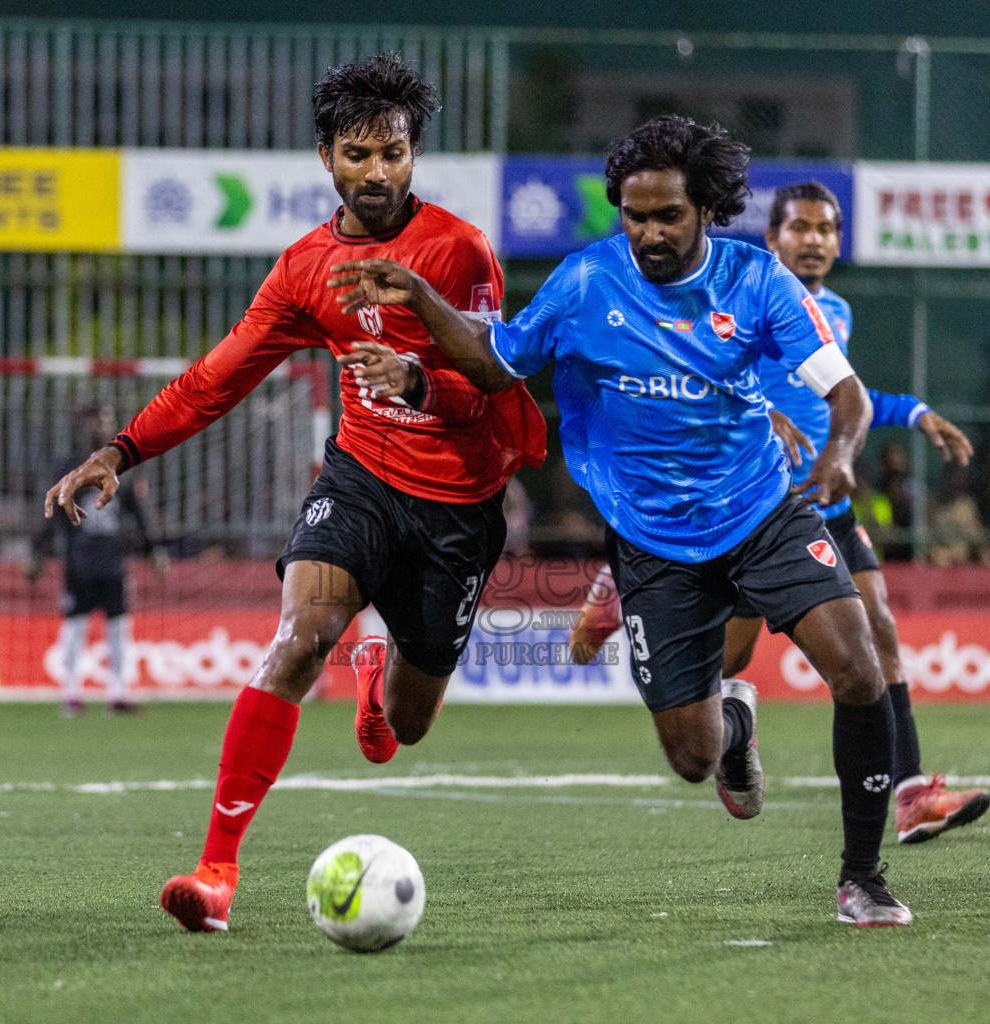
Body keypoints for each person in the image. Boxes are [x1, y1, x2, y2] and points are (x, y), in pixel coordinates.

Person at [331, 118, 912, 926]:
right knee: (692, 757)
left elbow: (844, 396)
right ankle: (734, 722)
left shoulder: (757, 280)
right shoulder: (584, 283)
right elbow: (495, 361)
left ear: (706, 208)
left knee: (857, 668)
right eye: (634, 216)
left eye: (667, 215)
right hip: (653, 543)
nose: (648, 233)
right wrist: (424, 300)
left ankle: (863, 877)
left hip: (759, 508)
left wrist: (842, 454)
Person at [44, 54, 545, 933]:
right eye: (359, 154)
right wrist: (120, 452)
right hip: (359, 479)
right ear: (326, 158)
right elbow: (216, 378)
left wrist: (421, 379)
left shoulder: (461, 250)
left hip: (458, 507)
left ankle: (381, 674)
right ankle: (215, 874)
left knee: (411, 726)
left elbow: (499, 391)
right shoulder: (304, 267)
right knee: (297, 638)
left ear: (414, 154)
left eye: (394, 153)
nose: (378, 172)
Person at [571, 181, 990, 847]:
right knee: (723, 672)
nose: (815, 240)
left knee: (878, 634)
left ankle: (910, 795)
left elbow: (836, 395)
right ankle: (642, 604)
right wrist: (757, 411)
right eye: (801, 228)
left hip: (826, 506)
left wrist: (912, 411)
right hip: (749, 513)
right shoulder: (740, 297)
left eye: (827, 229)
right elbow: (700, 376)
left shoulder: (837, 311)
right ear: (773, 239)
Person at [29, 404, 165, 716]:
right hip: (79, 560)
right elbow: (53, 512)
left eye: (104, 421)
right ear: (82, 427)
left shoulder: (122, 464)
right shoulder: (70, 466)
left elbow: (137, 513)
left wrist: (153, 549)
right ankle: (71, 692)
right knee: (75, 626)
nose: (99, 427)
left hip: (113, 560)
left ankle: (118, 692)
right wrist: (38, 553)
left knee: (118, 627)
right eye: (93, 422)